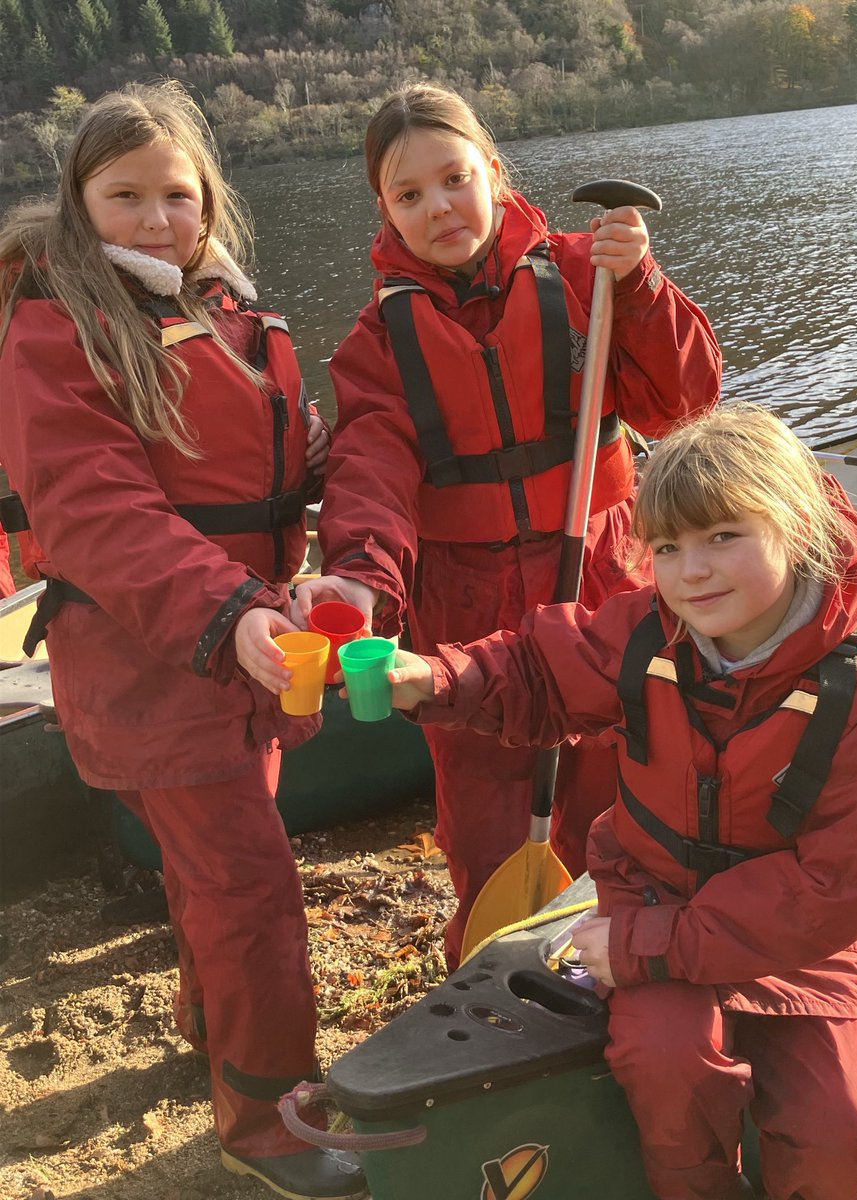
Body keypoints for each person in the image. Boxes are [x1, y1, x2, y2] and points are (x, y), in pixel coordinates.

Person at [385, 403, 857, 1200]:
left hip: (804, 944)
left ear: (797, 528)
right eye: (667, 548)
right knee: (666, 1065)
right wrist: (434, 679)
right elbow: (536, 669)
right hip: (657, 891)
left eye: (723, 536)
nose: (692, 570)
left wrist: (643, 947)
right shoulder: (645, 634)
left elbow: (834, 895)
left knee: (840, 1127)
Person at [0, 82, 366, 1200]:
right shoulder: (58, 326)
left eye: (177, 193)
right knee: (251, 890)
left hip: (240, 648)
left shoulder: (225, 309)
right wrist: (228, 614)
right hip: (160, 658)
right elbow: (102, 510)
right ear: (79, 203)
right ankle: (268, 1121)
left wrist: (315, 463)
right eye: (126, 196)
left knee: (215, 874)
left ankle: (207, 1025)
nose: (157, 219)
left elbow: (232, 472)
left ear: (209, 200)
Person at [291, 83, 722, 969]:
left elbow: (687, 402)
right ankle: (492, 984)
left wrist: (639, 287)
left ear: (493, 170)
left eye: (454, 177)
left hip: (605, 577)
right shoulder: (377, 342)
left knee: (624, 794)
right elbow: (370, 470)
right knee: (484, 828)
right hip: (465, 606)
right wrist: (362, 577)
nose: (439, 207)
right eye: (409, 195)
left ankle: (632, 964)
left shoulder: (586, 278)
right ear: (386, 210)